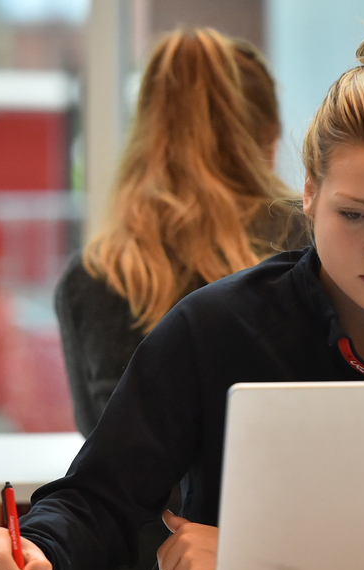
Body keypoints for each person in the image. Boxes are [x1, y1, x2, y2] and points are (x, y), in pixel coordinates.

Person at [0, 26, 364, 570]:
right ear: (311, 193)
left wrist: (259, 554)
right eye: (354, 215)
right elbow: (101, 498)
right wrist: (35, 548)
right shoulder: (217, 325)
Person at [56, 27, 303, 438]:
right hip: (299, 500)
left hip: (145, 506)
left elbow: (98, 455)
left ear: (144, 137)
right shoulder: (313, 244)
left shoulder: (91, 278)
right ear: (269, 139)